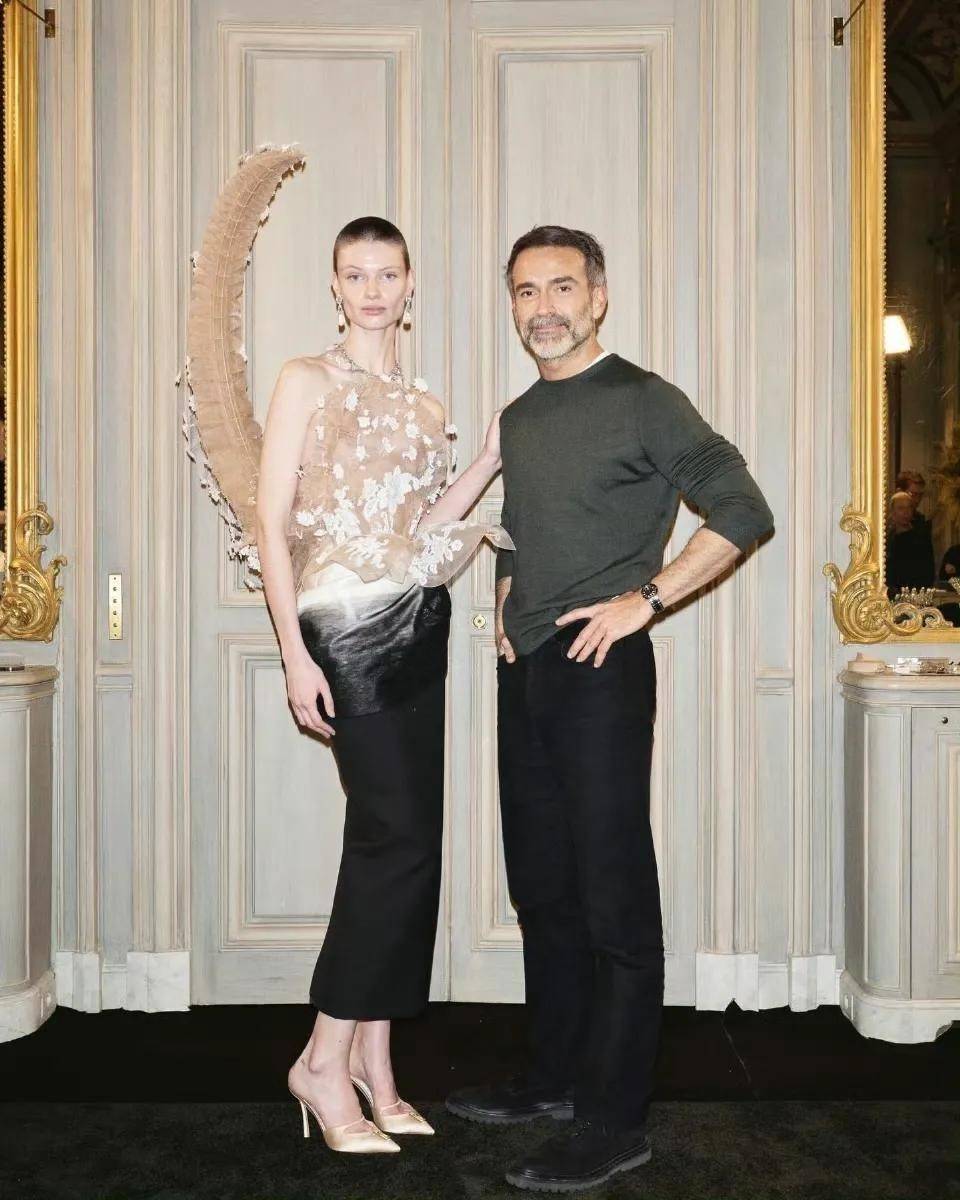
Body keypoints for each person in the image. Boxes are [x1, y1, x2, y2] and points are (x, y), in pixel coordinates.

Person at [445, 225, 774, 1193]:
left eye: (562, 288)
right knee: (543, 889)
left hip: (601, 671)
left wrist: (647, 600)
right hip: (528, 674)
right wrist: (506, 598)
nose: (542, 308)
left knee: (613, 901)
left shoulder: (643, 399)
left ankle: (614, 1120)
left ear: (598, 298)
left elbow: (744, 509)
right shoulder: (519, 417)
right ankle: (554, 1079)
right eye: (525, 291)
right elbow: (520, 527)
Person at [188, 185, 511, 1153]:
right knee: (393, 842)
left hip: (420, 617)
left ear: (410, 285)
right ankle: (322, 1061)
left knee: (408, 843)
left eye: (387, 273)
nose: (372, 289)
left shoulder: (425, 402)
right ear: (335, 287)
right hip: (343, 625)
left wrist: (486, 458)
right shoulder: (305, 379)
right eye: (355, 274)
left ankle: (377, 1062)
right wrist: (293, 652)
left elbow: (424, 528)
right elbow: (270, 522)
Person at [886, 490, 934, 599]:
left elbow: (928, 572)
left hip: (914, 596)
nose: (906, 512)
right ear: (892, 511)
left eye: (909, 508)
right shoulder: (886, 538)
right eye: (901, 508)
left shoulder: (921, 539)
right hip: (889, 595)